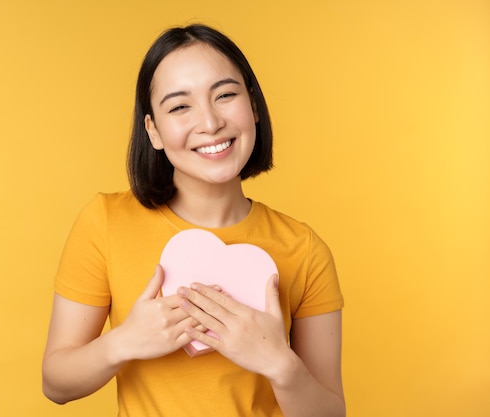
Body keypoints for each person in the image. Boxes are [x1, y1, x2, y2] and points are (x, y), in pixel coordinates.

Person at [42, 24, 345, 417]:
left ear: (252, 106)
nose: (210, 122)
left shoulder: (304, 249)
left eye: (225, 95)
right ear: (153, 130)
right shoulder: (105, 222)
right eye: (180, 106)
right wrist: (124, 342)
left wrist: (279, 363)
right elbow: (55, 384)